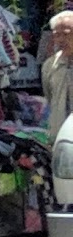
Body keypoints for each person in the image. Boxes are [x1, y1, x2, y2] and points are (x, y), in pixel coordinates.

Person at [41, 9, 73, 140]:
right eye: (56, 35)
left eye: (66, 34)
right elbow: (49, 97)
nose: (60, 40)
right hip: (60, 139)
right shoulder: (50, 65)